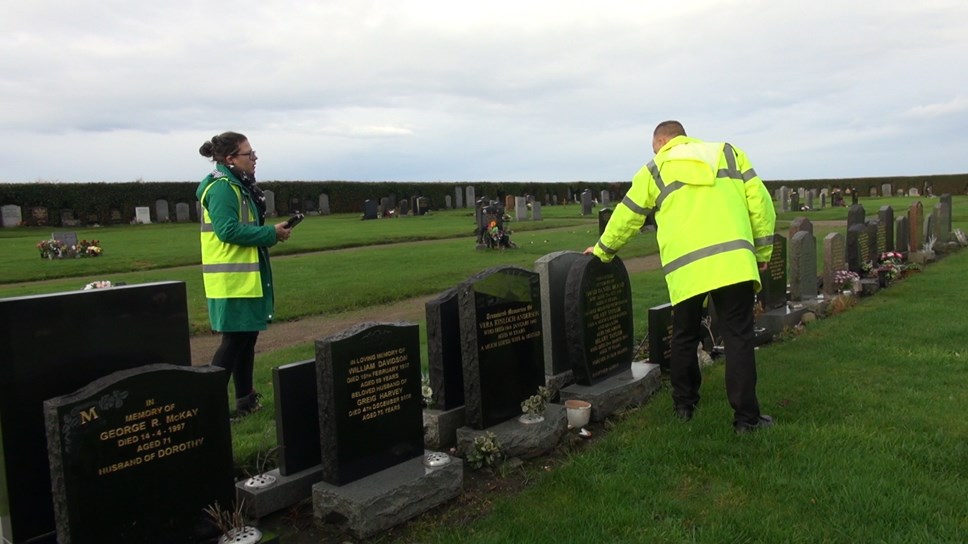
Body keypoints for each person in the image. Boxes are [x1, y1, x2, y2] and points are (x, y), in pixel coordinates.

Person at [584, 120, 777, 433]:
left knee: (684, 336)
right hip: (734, 261)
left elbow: (628, 215)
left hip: (687, 268)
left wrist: (602, 250)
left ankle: (684, 407)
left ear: (661, 141)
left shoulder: (655, 168)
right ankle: (746, 420)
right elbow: (761, 204)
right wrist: (762, 252)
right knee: (738, 338)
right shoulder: (729, 154)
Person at [197, 132, 292, 417]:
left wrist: (269, 233)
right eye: (248, 154)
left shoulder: (238, 185)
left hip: (243, 277)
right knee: (234, 342)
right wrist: (269, 233)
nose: (254, 158)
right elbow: (227, 231)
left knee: (247, 339)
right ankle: (208, 406)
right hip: (232, 279)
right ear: (230, 159)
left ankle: (244, 399)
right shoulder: (224, 188)